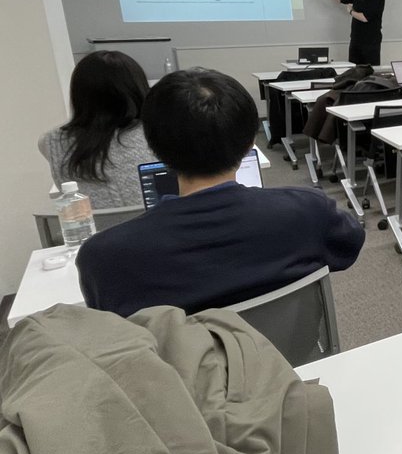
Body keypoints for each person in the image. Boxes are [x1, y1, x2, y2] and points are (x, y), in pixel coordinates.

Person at [77, 68, 365, 317]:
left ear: (154, 149)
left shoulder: (104, 256)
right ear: (250, 143)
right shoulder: (309, 211)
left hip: (181, 379)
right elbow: (348, 248)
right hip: (287, 365)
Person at [39, 50, 153, 208]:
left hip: (94, 231)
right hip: (158, 229)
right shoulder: (157, 132)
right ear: (138, 88)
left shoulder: (51, 142)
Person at [310, 0, 385, 65]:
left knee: (368, 74)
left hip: (370, 44)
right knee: (353, 72)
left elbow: (365, 18)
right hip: (355, 41)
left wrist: (350, 11)